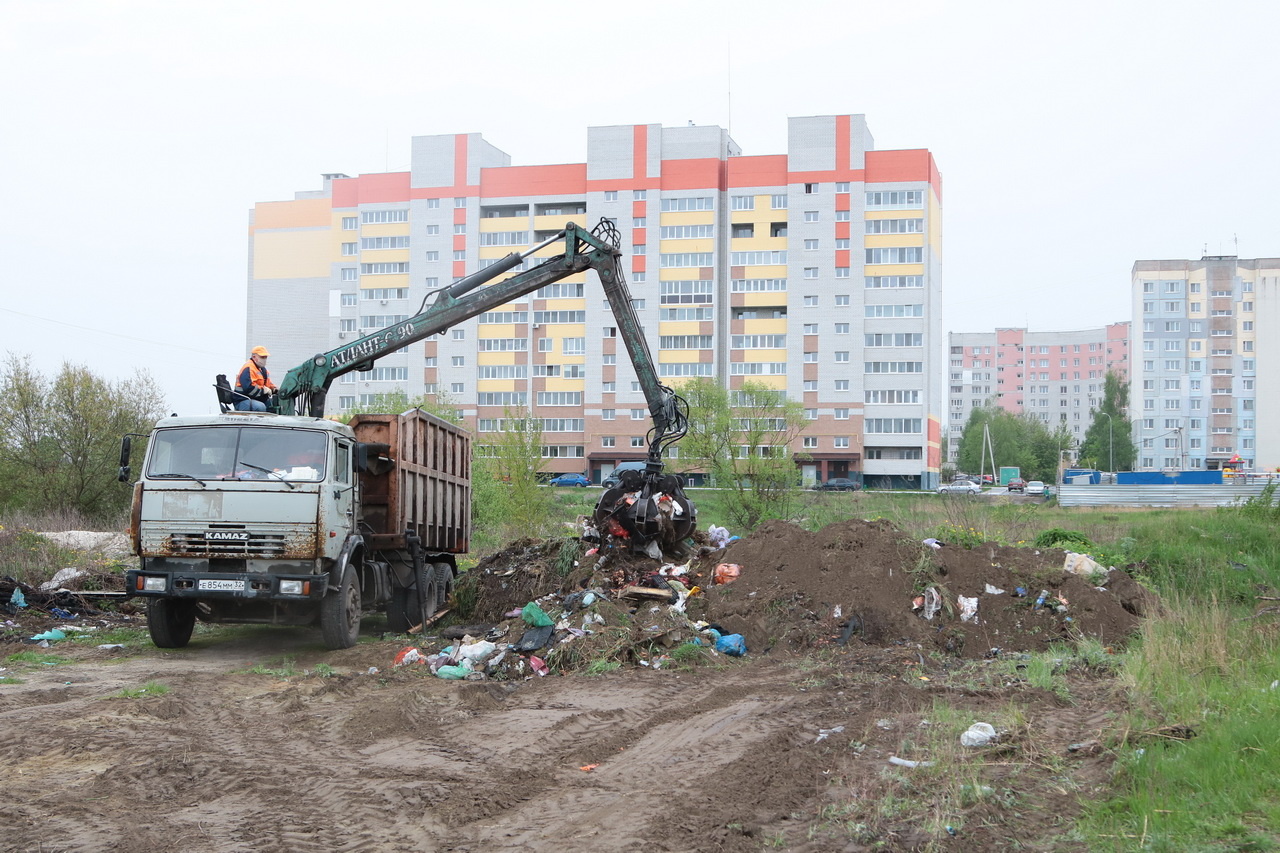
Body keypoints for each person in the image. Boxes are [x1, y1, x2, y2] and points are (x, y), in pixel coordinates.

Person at [235, 345, 277, 412]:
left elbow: (268, 384)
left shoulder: (263, 370)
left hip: (256, 399)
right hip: (243, 400)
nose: (264, 360)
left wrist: (275, 389)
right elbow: (249, 389)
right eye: (262, 357)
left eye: (265, 357)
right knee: (260, 407)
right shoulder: (248, 368)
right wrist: (263, 391)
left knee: (275, 406)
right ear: (254, 357)